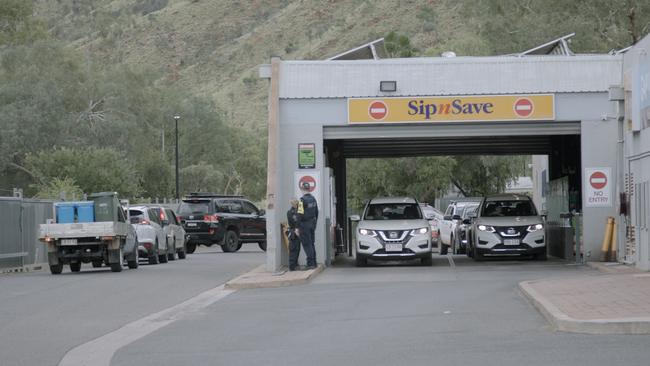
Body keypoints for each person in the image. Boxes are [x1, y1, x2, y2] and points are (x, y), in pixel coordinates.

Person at [297, 181, 318, 269]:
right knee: (312, 243)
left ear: (302, 189)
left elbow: (299, 214)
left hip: (304, 224)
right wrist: (315, 223)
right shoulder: (313, 199)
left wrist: (297, 227)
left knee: (307, 244)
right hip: (312, 223)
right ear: (309, 189)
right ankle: (314, 262)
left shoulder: (302, 200)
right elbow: (316, 212)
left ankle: (310, 264)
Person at [286, 198, 301, 271]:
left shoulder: (290, 212)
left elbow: (291, 223)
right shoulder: (296, 212)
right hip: (295, 232)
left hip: (294, 231)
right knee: (295, 249)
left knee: (295, 249)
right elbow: (296, 222)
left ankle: (294, 265)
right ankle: (292, 266)